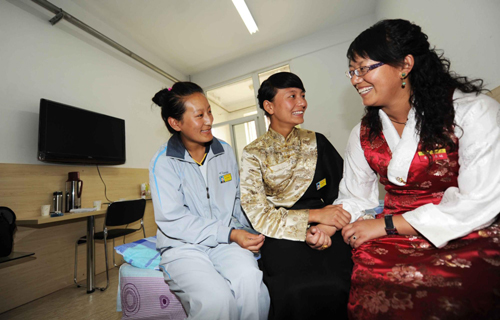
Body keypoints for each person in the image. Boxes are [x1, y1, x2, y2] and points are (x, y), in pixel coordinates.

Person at [336, 19, 500, 319]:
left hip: (467, 229)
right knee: (374, 291)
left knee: (458, 290)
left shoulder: (472, 112)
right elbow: (355, 195)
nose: (356, 79)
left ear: (404, 65)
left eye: (364, 68)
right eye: (352, 71)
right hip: (390, 239)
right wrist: (330, 221)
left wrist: (386, 224)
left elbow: (479, 201)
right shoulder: (363, 132)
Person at [149, 82, 270, 320]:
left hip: (224, 242)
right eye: (199, 115)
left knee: (251, 286)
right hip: (183, 246)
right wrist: (230, 234)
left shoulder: (224, 151)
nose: (209, 120)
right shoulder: (163, 162)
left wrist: (256, 225)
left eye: (209, 111)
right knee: (216, 300)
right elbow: (173, 219)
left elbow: (237, 199)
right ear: (176, 123)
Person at [239, 72, 353, 320]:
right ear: (269, 106)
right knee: (293, 290)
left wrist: (325, 224)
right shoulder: (253, 153)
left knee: (341, 283)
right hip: (279, 231)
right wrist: (315, 215)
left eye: (302, 96)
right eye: (292, 96)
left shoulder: (317, 142)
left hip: (327, 227)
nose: (302, 102)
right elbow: (258, 213)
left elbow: (344, 190)